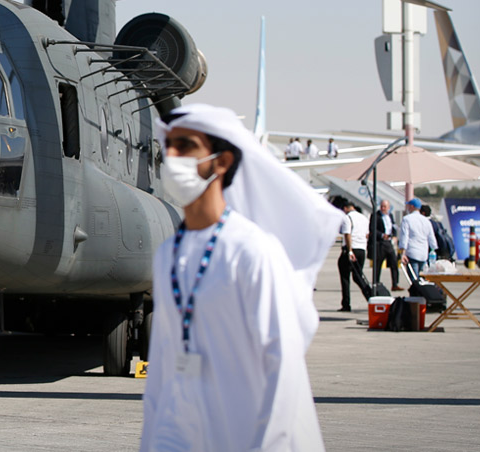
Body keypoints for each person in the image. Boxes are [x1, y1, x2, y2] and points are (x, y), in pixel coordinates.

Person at [140, 104, 340, 451]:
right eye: (167, 147)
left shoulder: (253, 251)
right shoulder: (167, 255)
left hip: (256, 436)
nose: (171, 158)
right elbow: (161, 372)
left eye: (185, 146)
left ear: (222, 161)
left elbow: (283, 370)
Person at [336, 198, 371, 311]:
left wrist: (350, 250)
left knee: (345, 276)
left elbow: (347, 235)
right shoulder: (364, 218)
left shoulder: (348, 218)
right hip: (362, 249)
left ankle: (346, 304)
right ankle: (369, 296)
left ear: (346, 208)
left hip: (351, 249)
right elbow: (366, 234)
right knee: (358, 276)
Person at [398, 197, 437, 280]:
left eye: (408, 206)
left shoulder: (407, 219)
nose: (407, 207)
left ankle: (415, 292)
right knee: (423, 279)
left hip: (412, 252)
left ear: (412, 206)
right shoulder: (426, 221)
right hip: (424, 254)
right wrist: (433, 252)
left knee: (414, 280)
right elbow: (431, 238)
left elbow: (404, 236)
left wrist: (403, 253)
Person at [370, 199, 401, 290]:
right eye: (382, 206)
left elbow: (393, 227)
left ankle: (395, 284)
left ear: (388, 207)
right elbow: (373, 229)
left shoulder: (390, 216)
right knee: (378, 264)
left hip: (389, 243)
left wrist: (394, 235)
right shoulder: (376, 216)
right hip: (380, 243)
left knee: (394, 263)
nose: (383, 208)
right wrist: (382, 235)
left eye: (385, 207)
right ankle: (376, 283)